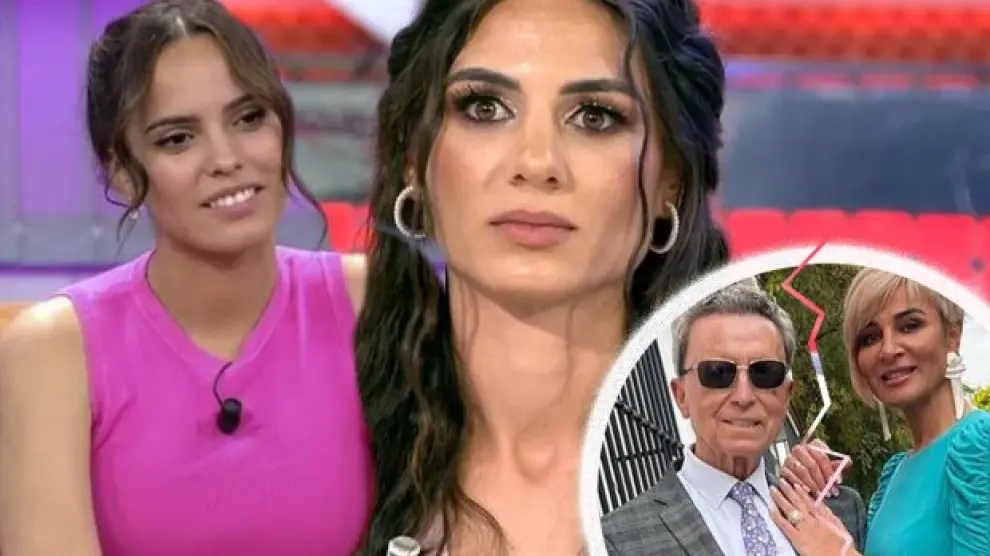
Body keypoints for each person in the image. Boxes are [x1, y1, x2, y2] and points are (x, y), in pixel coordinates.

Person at [354, 0, 729, 553]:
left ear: (670, 178)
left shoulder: (748, 473)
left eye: (595, 116)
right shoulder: (322, 452)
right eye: (484, 108)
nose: (536, 162)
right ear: (414, 157)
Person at [0, 1, 373, 555]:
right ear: (123, 172)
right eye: (178, 138)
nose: (226, 158)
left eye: (249, 118)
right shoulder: (54, 351)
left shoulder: (370, 302)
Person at [602, 282, 867, 555]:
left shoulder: (839, 512)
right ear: (681, 396)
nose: (743, 396)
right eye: (718, 372)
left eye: (764, 373)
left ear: (786, 396)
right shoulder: (616, 541)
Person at [778, 269, 990, 555]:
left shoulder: (980, 449)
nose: (888, 350)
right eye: (870, 338)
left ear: (953, 335)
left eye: (909, 326)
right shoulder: (895, 472)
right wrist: (808, 484)